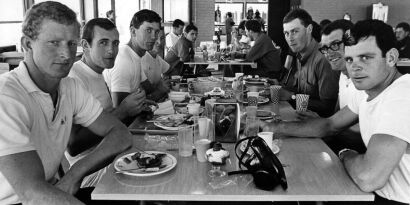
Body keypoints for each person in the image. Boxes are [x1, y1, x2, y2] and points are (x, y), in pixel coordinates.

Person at [262, 19, 410, 205]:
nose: (354, 67)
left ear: (391, 57)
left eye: (365, 57)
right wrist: (273, 127)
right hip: (371, 193)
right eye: (349, 59)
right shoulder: (368, 91)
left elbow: (368, 177)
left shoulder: (402, 95)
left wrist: (345, 153)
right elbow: (329, 125)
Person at [0, 2, 132, 204]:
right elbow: (32, 193)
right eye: (54, 42)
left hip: (56, 189)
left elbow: (121, 134)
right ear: (27, 44)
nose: (66, 54)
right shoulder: (7, 97)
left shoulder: (69, 87)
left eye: (71, 44)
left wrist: (74, 175)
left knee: (133, 191)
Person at [66, 18, 150, 189]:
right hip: (89, 171)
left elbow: (109, 119)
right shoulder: (74, 77)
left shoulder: (98, 73)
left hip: (113, 153)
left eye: (115, 43)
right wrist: (123, 110)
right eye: (103, 43)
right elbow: (73, 146)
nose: (111, 50)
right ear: (86, 45)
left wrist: (136, 108)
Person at [313, 19, 367, 154]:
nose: (329, 53)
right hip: (340, 146)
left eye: (335, 44)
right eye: (325, 48)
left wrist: (321, 126)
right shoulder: (342, 74)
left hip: (358, 155)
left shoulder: (367, 80)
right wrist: (318, 122)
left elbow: (362, 135)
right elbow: (335, 117)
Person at [282, 9, 339, 117]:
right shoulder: (300, 55)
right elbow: (303, 92)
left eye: (295, 31)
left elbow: (328, 107)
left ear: (309, 29)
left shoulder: (323, 58)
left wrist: (291, 96)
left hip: (320, 125)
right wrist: (279, 88)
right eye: (286, 33)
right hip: (302, 117)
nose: (290, 38)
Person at [104, 9, 168, 104]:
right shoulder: (124, 60)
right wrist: (160, 91)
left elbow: (148, 89)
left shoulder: (136, 57)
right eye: (148, 30)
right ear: (133, 31)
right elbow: (121, 109)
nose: (154, 37)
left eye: (156, 32)